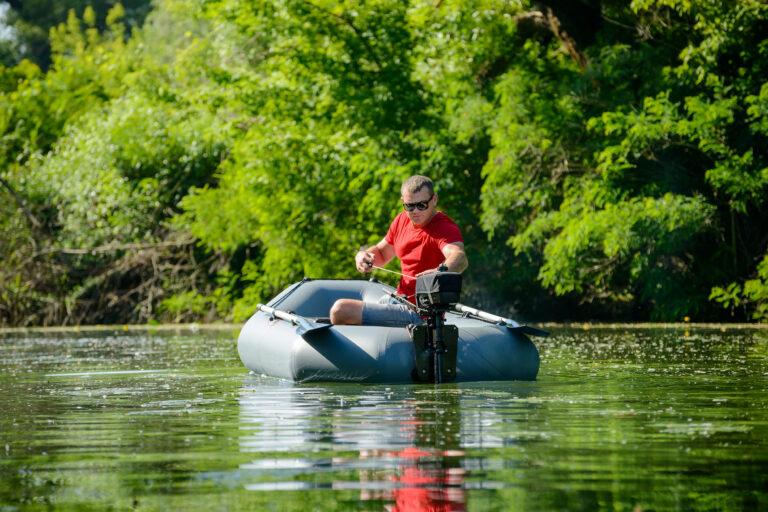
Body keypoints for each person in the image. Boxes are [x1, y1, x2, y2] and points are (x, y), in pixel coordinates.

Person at [330, 175, 468, 326]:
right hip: (396, 299)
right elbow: (381, 254)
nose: (415, 211)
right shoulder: (401, 220)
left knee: (340, 310)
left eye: (421, 205)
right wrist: (363, 255)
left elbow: (459, 258)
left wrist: (439, 272)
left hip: (419, 313)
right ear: (403, 202)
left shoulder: (444, 228)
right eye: (409, 206)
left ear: (434, 199)